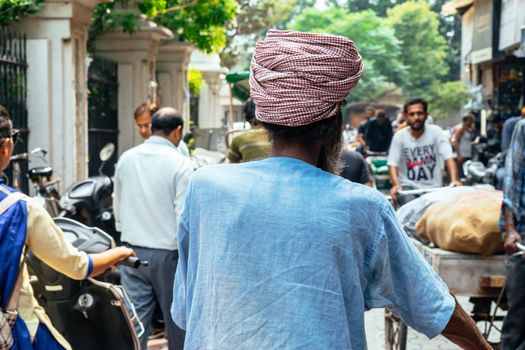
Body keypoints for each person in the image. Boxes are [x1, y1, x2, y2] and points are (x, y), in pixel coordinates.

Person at [171, 29, 490, 349]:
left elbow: (186, 311)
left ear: (267, 119)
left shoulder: (205, 188)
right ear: (334, 122)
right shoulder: (361, 207)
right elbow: (432, 306)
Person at [0, 105, 134, 349]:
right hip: (15, 331)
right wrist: (119, 252)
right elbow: (77, 266)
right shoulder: (18, 208)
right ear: (7, 146)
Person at [114, 107, 193, 350]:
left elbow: (118, 203)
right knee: (177, 321)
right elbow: (184, 218)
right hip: (168, 255)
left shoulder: (127, 158)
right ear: (177, 131)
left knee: (135, 321)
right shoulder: (182, 164)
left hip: (132, 251)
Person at [388, 98, 461, 200]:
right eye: (412, 114)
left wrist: (454, 180)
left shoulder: (436, 132)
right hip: (409, 187)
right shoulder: (399, 136)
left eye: (420, 113)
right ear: (406, 117)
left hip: (435, 188)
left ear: (426, 115)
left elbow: (448, 157)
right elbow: (392, 164)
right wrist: (396, 185)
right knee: (409, 209)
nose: (416, 117)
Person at [499, 117, 525, 349]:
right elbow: (512, 181)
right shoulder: (523, 127)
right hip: (523, 231)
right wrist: (510, 229)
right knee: (519, 311)